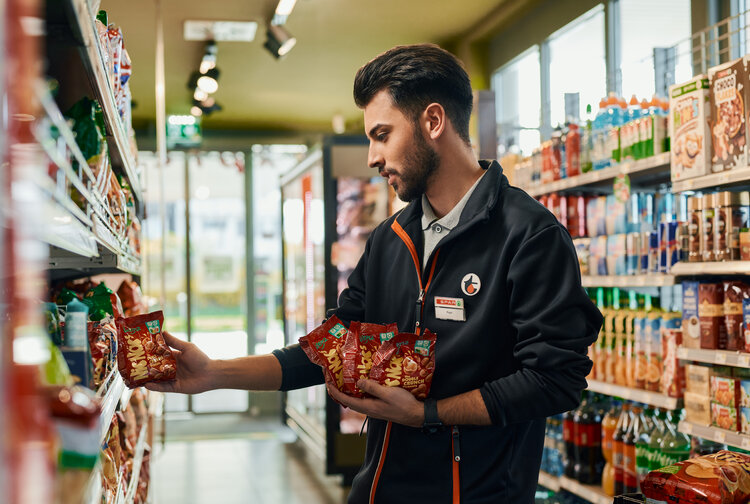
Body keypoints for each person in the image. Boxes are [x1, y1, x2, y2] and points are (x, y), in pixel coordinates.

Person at [147, 44, 602, 503]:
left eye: (382, 134)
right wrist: (213, 373)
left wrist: (428, 413)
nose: (371, 156)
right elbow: (329, 347)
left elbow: (554, 379)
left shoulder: (529, 236)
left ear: (433, 121)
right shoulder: (389, 240)